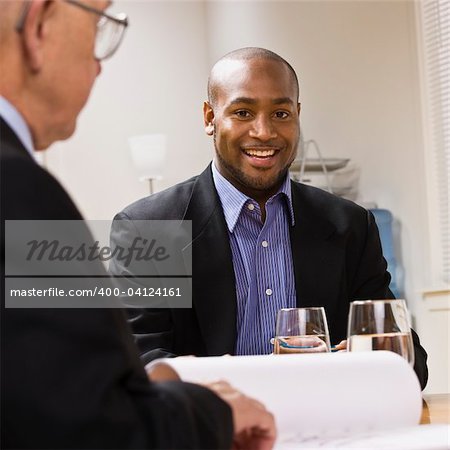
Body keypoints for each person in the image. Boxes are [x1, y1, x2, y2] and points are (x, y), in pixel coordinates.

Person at [0, 2, 276, 449]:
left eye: (280, 113)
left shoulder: (345, 222)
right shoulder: (145, 222)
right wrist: (213, 410)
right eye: (97, 31)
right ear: (37, 28)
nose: (98, 68)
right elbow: (91, 418)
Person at [110, 47, 428, 390]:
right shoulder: (147, 229)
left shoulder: (351, 225)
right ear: (209, 118)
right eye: (243, 112)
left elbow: (411, 364)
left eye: (280, 113)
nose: (263, 132)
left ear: (298, 115)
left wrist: (364, 360)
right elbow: (138, 363)